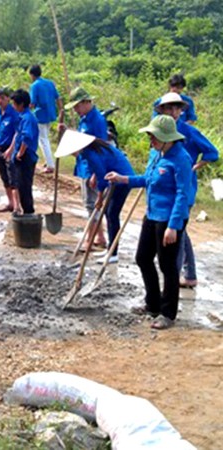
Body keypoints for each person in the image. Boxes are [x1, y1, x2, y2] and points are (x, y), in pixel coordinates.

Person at [105, 115, 192, 330]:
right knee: (143, 258)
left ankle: (167, 313)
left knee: (167, 266)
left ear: (166, 138)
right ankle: (152, 304)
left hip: (169, 218)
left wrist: (173, 226)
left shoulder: (181, 159)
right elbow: (146, 179)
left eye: (153, 137)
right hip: (152, 214)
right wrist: (123, 178)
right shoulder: (156, 154)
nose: (150, 140)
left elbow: (183, 194)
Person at [155, 92, 219, 287]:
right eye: (169, 108)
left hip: (184, 190)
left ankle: (172, 281)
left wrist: (196, 166)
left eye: (177, 108)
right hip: (167, 190)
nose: (173, 112)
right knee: (180, 232)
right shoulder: (161, 131)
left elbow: (212, 152)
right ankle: (190, 275)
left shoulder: (188, 132)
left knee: (177, 234)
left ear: (182, 111)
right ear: (162, 111)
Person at [55, 130, 135, 264]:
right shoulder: (89, 150)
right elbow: (100, 169)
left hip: (122, 180)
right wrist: (94, 176)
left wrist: (99, 198)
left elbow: (102, 180)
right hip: (114, 178)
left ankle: (113, 253)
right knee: (109, 215)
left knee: (111, 215)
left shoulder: (91, 152)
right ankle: (110, 249)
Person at [61, 87, 108, 250]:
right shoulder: (85, 119)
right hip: (84, 165)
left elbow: (102, 148)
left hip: (92, 168)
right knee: (91, 204)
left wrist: (96, 173)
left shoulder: (97, 121)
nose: (75, 110)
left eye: (77, 106)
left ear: (86, 103)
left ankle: (89, 240)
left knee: (91, 205)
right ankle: (100, 238)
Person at [4, 89, 39, 215]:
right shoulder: (22, 116)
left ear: (21, 104)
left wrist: (20, 152)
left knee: (25, 187)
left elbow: (27, 137)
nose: (13, 106)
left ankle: (29, 212)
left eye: (14, 104)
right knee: (19, 184)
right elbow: (18, 134)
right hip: (21, 156)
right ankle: (24, 210)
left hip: (26, 157)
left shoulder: (28, 118)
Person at [29, 64, 64, 173]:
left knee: (43, 140)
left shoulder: (35, 86)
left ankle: (50, 165)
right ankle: (48, 161)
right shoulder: (49, 83)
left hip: (40, 115)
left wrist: (25, 113)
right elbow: (58, 98)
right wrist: (61, 110)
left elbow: (32, 103)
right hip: (51, 114)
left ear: (31, 75)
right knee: (45, 138)